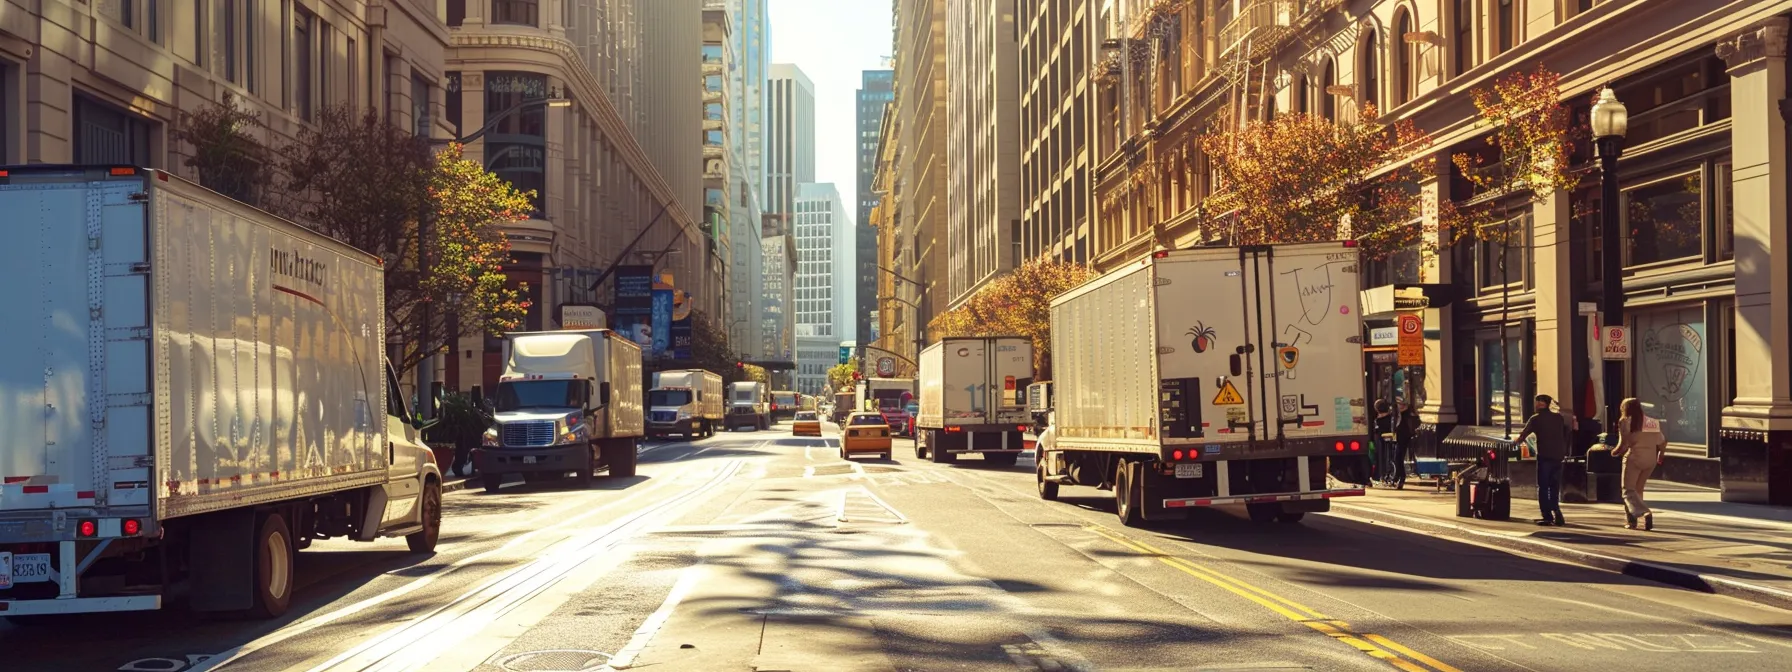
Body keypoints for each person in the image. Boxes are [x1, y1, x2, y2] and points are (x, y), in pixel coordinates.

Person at [1511, 394, 1576, 526]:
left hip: (1545, 456)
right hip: (1558, 456)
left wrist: (1513, 444)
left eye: (1537, 402)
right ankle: (1557, 513)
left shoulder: (1536, 419)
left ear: (1540, 404)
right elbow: (1565, 433)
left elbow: (1523, 435)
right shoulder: (1558, 418)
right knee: (1554, 486)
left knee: (1543, 486)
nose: (1535, 405)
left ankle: (1547, 516)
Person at [1612, 398, 1666, 530]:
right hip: (1650, 459)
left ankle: (1641, 515)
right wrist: (1661, 455)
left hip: (1634, 458)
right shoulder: (1652, 422)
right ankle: (1637, 520)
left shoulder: (1624, 422)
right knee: (1638, 490)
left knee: (1628, 490)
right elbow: (1662, 442)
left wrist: (1613, 452)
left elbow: (1623, 445)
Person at [1372, 400, 1394, 485]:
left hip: (1380, 440)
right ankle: (1388, 473)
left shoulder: (1377, 420)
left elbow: (1376, 430)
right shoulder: (1391, 418)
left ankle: (1381, 474)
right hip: (1390, 438)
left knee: (1381, 456)